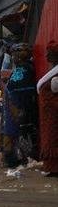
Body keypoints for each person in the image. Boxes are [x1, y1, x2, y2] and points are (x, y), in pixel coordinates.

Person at [2, 43, 37, 167]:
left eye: (13, 55)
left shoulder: (23, 69)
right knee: (16, 131)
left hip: (17, 104)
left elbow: (17, 88)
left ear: (19, 56)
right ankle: (16, 157)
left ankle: (13, 158)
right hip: (17, 104)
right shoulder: (26, 68)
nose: (12, 58)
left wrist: (15, 107)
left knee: (14, 132)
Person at [37, 41, 58, 177]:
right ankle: (51, 166)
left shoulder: (54, 75)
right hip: (48, 113)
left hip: (53, 112)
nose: (46, 56)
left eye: (49, 54)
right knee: (49, 138)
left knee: (53, 138)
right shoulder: (52, 73)